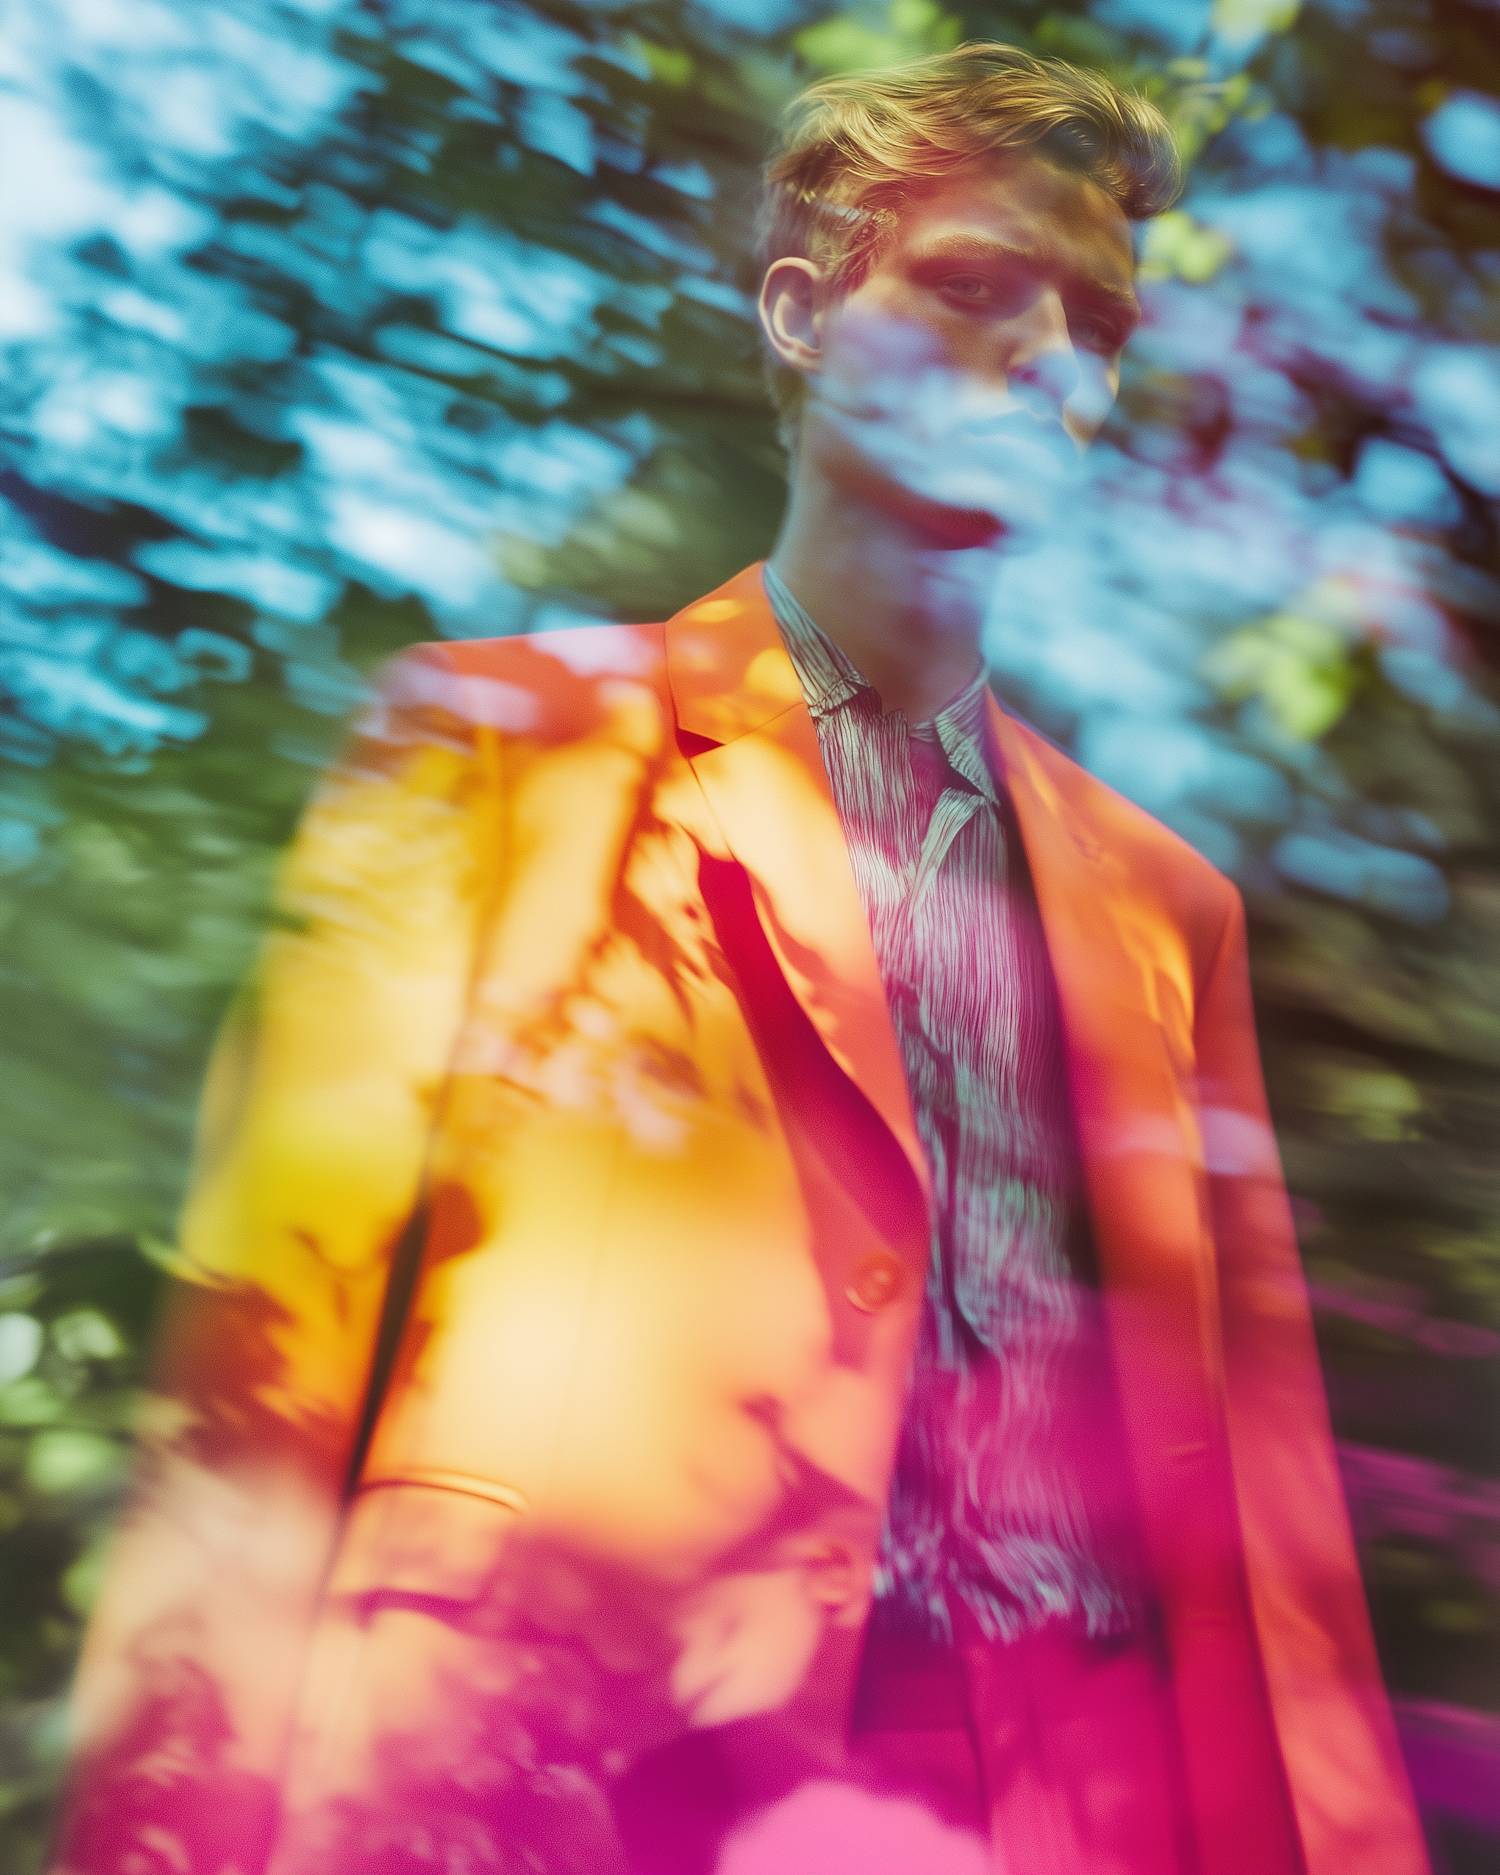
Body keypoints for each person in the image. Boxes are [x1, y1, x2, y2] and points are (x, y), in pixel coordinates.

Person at [51, 44, 1429, 1875]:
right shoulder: (497, 745)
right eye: (964, 285)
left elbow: (1266, 1518)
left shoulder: (1173, 908)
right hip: (559, 1771)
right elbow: (266, 1365)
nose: (1044, 356)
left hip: (1061, 1808)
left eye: (1092, 318)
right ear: (802, 315)